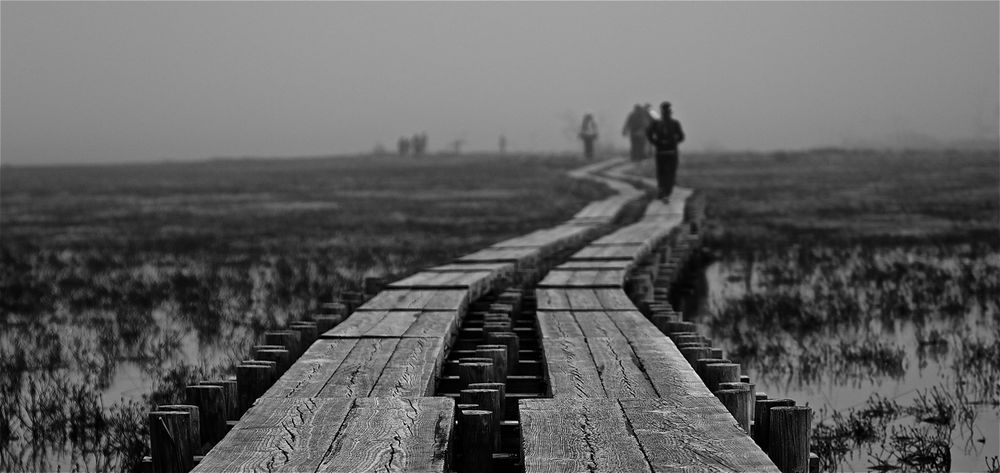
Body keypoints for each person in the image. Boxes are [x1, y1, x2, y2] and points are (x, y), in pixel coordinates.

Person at [645, 101, 685, 200]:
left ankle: (662, 189)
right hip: (672, 152)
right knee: (671, 172)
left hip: (660, 152)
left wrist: (655, 143)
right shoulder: (675, 123)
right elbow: (681, 137)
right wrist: (674, 142)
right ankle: (668, 191)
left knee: (661, 172)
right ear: (670, 111)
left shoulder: (656, 123)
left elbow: (648, 133)